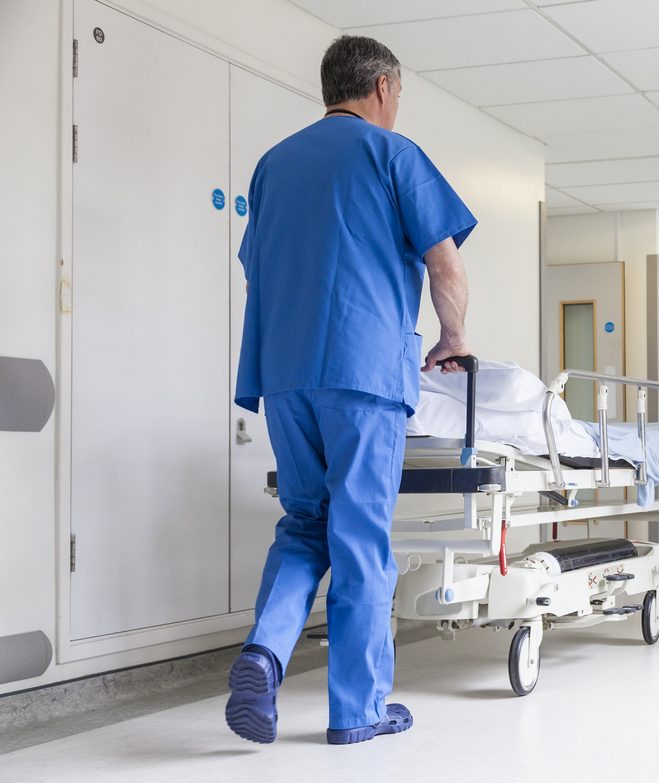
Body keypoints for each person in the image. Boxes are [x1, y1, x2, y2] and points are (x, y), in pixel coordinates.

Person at [226, 35, 478, 746]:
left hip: (284, 373)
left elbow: (258, 274)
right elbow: (446, 267)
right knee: (361, 535)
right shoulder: (394, 154)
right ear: (385, 86)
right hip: (363, 375)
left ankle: (264, 651)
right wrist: (453, 337)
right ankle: (357, 708)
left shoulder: (274, 165)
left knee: (305, 523)